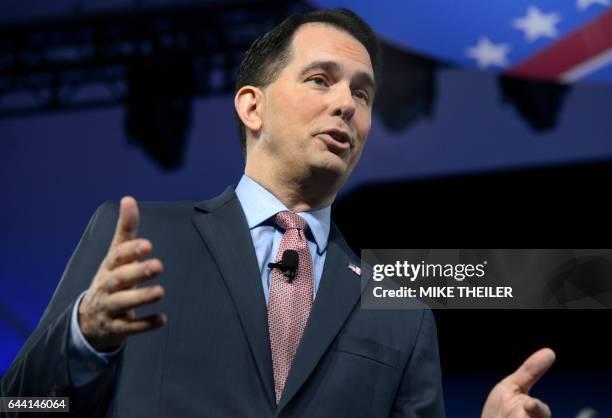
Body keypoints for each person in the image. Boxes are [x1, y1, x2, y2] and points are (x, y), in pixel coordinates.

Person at [1, 8, 555, 418]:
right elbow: (22, 407)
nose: (346, 104)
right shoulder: (143, 240)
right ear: (252, 105)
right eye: (320, 80)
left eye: (362, 94)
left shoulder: (401, 310)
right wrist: (82, 337)